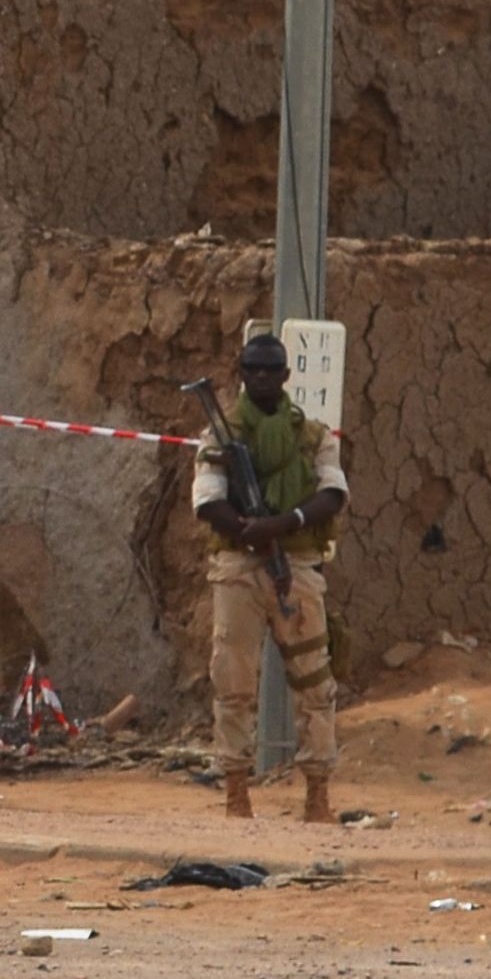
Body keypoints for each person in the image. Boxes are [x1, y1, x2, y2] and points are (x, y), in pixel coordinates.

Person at [197, 329, 347, 823]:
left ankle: (317, 794)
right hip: (239, 567)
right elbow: (208, 501)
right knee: (233, 681)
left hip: (297, 565)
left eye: (270, 370)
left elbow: (332, 494)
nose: (261, 378)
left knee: (315, 684)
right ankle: (236, 792)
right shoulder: (222, 435)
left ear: (286, 376)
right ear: (242, 374)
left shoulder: (312, 435)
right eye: (252, 369)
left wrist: (282, 526)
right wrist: (249, 533)